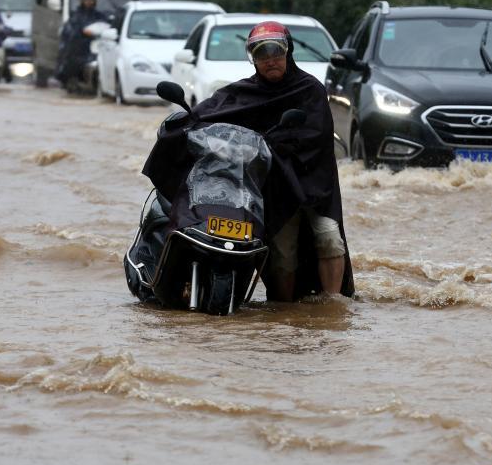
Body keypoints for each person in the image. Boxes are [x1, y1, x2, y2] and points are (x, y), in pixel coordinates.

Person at [143, 21, 355, 301]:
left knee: (329, 237)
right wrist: (183, 124)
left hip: (313, 184)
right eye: (262, 56)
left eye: (276, 53)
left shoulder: (310, 90)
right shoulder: (244, 93)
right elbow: (212, 112)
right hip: (275, 186)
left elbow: (314, 138)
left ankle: (332, 306)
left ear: (288, 53)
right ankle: (283, 308)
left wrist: (272, 144)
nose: (271, 61)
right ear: (254, 60)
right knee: (282, 251)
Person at [54, 0, 106, 88]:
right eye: (87, 0)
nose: (89, 2)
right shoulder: (76, 17)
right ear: (82, 1)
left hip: (95, 48)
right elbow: (69, 34)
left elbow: (104, 27)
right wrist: (82, 32)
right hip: (79, 50)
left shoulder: (99, 16)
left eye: (91, 0)